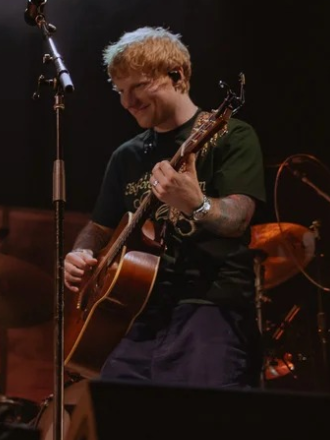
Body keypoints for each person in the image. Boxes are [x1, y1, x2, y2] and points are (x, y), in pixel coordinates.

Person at [63, 26, 266, 387]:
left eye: (137, 87)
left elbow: (239, 218)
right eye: (120, 91)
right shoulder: (125, 156)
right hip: (132, 321)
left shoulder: (231, 135)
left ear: (177, 75)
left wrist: (196, 204)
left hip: (209, 312)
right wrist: (80, 254)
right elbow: (99, 227)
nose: (127, 102)